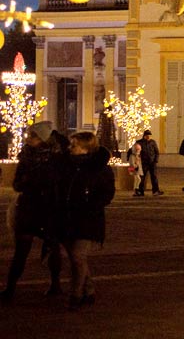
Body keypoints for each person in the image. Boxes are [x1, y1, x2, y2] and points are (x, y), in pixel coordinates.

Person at [1, 122, 63, 302]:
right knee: (21, 250)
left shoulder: (56, 158)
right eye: (29, 135)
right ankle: (10, 287)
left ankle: (55, 284)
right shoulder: (26, 157)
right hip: (28, 208)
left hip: (49, 208)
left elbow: (59, 182)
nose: (29, 139)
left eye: (33, 136)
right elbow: (16, 184)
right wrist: (25, 181)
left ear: (43, 139)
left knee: (53, 248)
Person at [55, 131, 115, 310]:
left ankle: (76, 295)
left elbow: (106, 194)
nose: (70, 148)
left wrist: (90, 206)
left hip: (87, 219)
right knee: (76, 258)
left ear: (86, 148)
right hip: (66, 217)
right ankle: (89, 290)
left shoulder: (99, 168)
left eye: (74, 145)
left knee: (78, 256)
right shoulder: (66, 165)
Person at [136, 129, 161, 196]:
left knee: (154, 177)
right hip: (143, 163)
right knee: (142, 177)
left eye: (149, 135)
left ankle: (155, 190)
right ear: (144, 136)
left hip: (152, 162)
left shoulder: (152, 142)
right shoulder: (139, 143)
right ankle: (140, 191)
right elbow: (136, 152)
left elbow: (157, 152)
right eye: (147, 135)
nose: (148, 137)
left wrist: (156, 160)